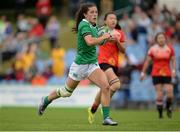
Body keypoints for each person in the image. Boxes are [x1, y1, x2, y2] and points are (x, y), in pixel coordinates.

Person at [38, 3, 118, 126]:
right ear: (85, 14)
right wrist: (104, 37)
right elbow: (90, 41)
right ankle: (46, 100)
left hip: (92, 64)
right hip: (80, 66)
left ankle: (106, 118)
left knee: (106, 86)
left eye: (96, 12)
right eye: (91, 12)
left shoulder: (94, 26)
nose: (95, 14)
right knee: (66, 92)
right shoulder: (83, 25)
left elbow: (98, 43)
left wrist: (106, 39)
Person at [88, 11, 126, 124]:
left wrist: (117, 41)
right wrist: (104, 38)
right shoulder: (100, 31)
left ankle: (93, 109)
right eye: (110, 18)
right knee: (116, 84)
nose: (113, 20)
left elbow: (123, 51)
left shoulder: (119, 33)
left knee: (105, 88)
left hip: (115, 64)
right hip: (103, 62)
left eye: (115, 18)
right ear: (105, 21)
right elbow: (93, 43)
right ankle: (105, 109)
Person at [140, 32, 176, 119]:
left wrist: (174, 70)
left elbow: (173, 60)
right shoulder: (152, 49)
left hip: (167, 73)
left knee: (170, 93)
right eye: (159, 38)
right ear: (156, 40)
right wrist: (143, 73)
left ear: (165, 39)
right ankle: (160, 114)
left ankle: (168, 107)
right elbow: (147, 62)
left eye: (162, 38)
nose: (161, 39)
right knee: (159, 94)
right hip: (156, 73)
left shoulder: (169, 48)